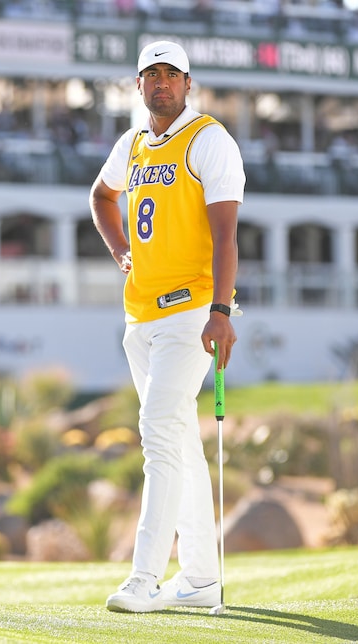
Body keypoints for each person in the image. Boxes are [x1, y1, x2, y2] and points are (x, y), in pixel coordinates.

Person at [89, 40, 245, 613]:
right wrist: (121, 251)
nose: (161, 84)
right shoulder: (130, 145)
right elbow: (101, 197)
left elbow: (227, 236)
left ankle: (144, 578)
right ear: (137, 86)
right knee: (179, 442)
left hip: (191, 313)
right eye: (150, 75)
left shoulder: (208, 139)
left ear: (187, 82)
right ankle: (202, 580)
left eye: (170, 75)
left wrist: (222, 311)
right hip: (140, 316)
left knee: (157, 432)